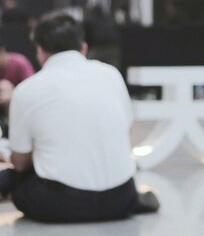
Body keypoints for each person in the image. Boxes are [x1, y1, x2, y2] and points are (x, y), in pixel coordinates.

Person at [0, 12, 159, 222]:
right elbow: (126, 130)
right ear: (83, 47)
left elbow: (20, 163)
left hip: (62, 204)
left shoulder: (27, 89)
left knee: (14, 178)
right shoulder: (112, 74)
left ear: (40, 50)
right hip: (121, 198)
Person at [0, 33, 35, 137]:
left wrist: (13, 93)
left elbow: (33, 91)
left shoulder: (20, 63)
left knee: (5, 88)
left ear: (2, 50)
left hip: (20, 108)